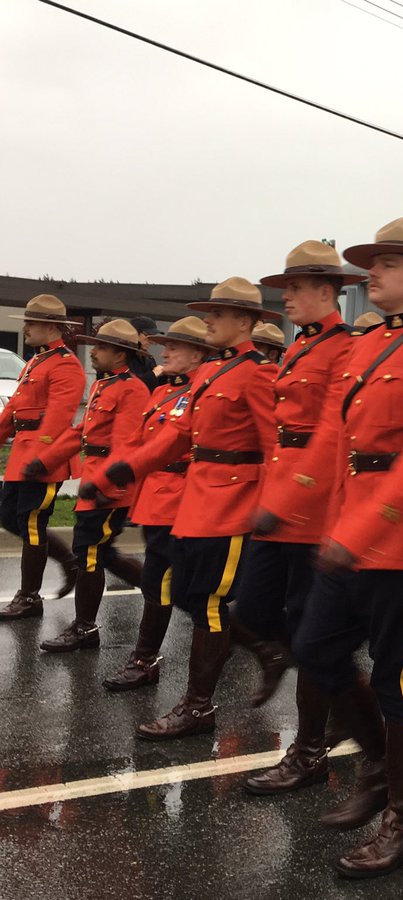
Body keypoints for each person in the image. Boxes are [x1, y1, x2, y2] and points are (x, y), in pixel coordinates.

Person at [265, 217, 403, 878]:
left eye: (386, 264)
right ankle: (382, 765)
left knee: (398, 678)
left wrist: (358, 530)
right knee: (315, 647)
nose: (372, 274)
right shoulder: (367, 346)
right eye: (373, 263)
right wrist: (291, 506)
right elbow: (334, 439)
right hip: (352, 529)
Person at [83, 277, 278, 741]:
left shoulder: (258, 373)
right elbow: (176, 435)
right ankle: (209, 680)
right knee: (188, 595)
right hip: (199, 503)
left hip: (234, 503)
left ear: (244, 321)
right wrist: (124, 469)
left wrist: (272, 508)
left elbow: (276, 448)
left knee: (208, 603)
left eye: (218, 314)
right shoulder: (213, 373)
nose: (209, 320)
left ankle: (199, 706)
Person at [234, 240, 363, 797]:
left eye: (296, 287)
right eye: (285, 286)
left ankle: (309, 751)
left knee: (311, 631)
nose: (285, 297)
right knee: (252, 610)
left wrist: (289, 496)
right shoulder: (299, 347)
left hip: (312, 503)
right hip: (282, 493)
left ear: (327, 291)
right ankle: (335, 688)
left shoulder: (344, 348)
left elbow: (333, 434)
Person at [101, 316, 210, 691]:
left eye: (175, 346)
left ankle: (146, 660)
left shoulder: (202, 392)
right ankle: (251, 644)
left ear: (197, 355)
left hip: (182, 497)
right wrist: (108, 478)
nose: (165, 352)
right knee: (171, 584)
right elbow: (137, 441)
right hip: (155, 495)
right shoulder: (163, 391)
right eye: (165, 345)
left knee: (172, 584)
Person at [31, 319, 150, 652]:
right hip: (95, 480)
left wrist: (102, 485)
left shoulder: (132, 389)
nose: (93, 352)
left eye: (100, 347)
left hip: (109, 489)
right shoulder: (103, 384)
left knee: (91, 553)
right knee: (99, 553)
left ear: (120, 354)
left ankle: (85, 628)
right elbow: (80, 434)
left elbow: (125, 446)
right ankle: (161, 591)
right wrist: (46, 460)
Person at [0, 295, 86, 621]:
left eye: (30, 323)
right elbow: (13, 409)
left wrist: (43, 458)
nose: (25, 328)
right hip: (23, 451)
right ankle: (69, 562)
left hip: (45, 457)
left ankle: (29, 597)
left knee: (32, 522)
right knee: (9, 516)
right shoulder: (36, 361)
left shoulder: (65, 363)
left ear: (50, 327)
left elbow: (59, 416)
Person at [128, 315, 165, 391]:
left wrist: (165, 374)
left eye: (152, 337)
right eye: (147, 335)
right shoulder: (124, 356)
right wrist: (154, 373)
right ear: (135, 333)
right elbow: (129, 386)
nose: (150, 340)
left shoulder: (148, 358)